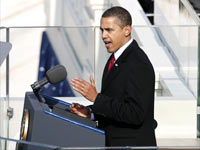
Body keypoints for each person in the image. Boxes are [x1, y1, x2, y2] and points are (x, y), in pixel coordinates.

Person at [70, 6, 157, 147]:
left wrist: (97, 98)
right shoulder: (115, 59)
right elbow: (115, 104)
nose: (104, 35)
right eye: (102, 30)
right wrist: (91, 112)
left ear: (127, 30)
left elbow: (135, 114)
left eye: (109, 30)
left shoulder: (138, 63)